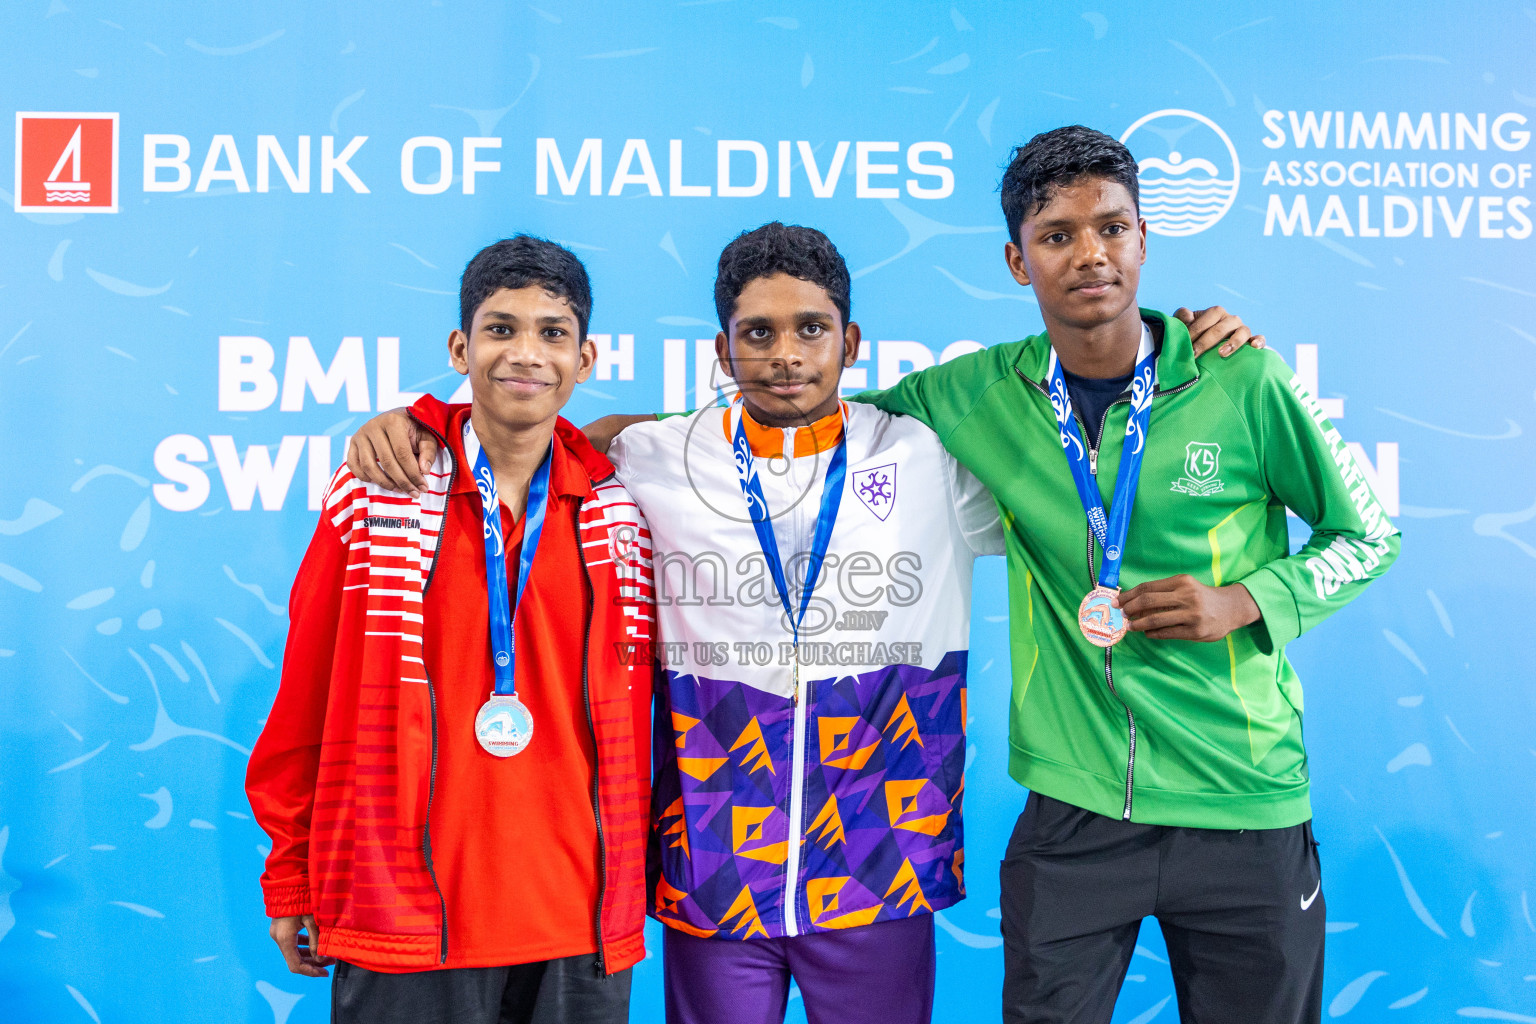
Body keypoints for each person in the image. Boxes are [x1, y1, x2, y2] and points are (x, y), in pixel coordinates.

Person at [345, 222, 1261, 1024]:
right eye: (759, 333)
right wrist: (417, 421)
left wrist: (1166, 349)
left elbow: (1085, 451)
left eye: (811, 329)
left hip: (881, 867)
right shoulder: (652, 455)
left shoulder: (932, 455)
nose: (786, 354)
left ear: (851, 340)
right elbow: (521, 435)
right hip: (712, 868)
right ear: (721, 347)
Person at [856, 125, 1401, 1023]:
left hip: (1243, 795)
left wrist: (1249, 600)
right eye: (1057, 235)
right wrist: (638, 436)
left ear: (1144, 239)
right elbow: (805, 420)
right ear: (1016, 261)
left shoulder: (1244, 378)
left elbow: (1369, 534)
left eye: (1111, 227)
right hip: (1075, 809)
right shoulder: (972, 394)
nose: (1090, 254)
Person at [246, 236, 656, 1024]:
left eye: (552, 332)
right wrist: (291, 874)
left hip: (578, 920)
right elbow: (306, 690)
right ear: (461, 348)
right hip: (405, 913)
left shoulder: (626, 504)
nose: (526, 354)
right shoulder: (378, 492)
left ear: (586, 357)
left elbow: (768, 417)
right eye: (501, 330)